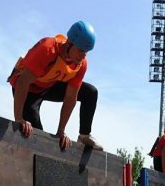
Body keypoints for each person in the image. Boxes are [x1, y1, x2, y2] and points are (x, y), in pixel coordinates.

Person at [8, 21, 103, 152]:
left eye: (86, 52)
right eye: (80, 50)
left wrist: (61, 131)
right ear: (69, 43)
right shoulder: (48, 49)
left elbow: (70, 98)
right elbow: (23, 82)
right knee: (36, 136)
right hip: (29, 89)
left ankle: (84, 135)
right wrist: (19, 118)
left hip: (49, 85)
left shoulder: (81, 64)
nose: (83, 56)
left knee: (90, 92)